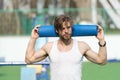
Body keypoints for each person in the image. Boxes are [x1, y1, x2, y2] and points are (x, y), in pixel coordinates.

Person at [25, 15, 107, 80]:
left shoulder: (81, 46)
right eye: (62, 28)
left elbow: (102, 61)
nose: (66, 31)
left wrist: (101, 40)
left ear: (71, 28)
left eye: (68, 28)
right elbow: (29, 59)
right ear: (57, 30)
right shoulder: (49, 47)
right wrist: (33, 38)